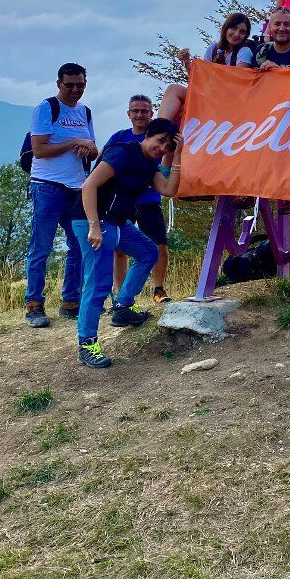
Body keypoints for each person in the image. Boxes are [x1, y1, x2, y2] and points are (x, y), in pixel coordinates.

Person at [71, 119, 183, 369]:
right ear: (148, 135)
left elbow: (168, 189)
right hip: (92, 220)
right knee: (98, 284)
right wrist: (94, 226)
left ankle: (122, 306)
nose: (162, 147)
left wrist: (177, 156)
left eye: (167, 145)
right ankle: (87, 344)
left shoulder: (149, 164)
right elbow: (88, 185)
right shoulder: (123, 152)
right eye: (160, 140)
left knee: (148, 252)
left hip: (117, 223)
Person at [24, 62, 96, 328]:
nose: (76, 90)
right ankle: (34, 305)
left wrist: (87, 149)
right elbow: (39, 150)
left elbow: (93, 148)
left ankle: (71, 302)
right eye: (70, 85)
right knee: (40, 247)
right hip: (47, 185)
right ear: (59, 84)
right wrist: (75, 142)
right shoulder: (46, 108)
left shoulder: (85, 112)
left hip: (77, 186)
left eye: (81, 85)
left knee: (77, 245)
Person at [103, 95, 174, 305]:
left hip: (148, 199)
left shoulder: (161, 137)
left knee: (159, 245)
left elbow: (164, 167)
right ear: (129, 114)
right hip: (122, 200)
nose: (140, 114)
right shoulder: (120, 136)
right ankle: (120, 294)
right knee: (119, 248)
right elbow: (104, 158)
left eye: (145, 111)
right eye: (136, 110)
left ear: (152, 114)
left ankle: (159, 289)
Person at [157, 12, 255, 122]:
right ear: (226, 28)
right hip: (207, 95)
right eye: (234, 28)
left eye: (242, 32)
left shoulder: (244, 52)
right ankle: (160, 127)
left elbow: (237, 80)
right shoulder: (213, 48)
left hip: (227, 99)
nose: (236, 34)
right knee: (173, 89)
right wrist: (187, 63)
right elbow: (200, 79)